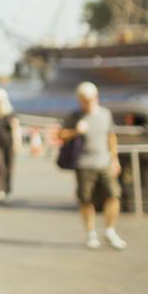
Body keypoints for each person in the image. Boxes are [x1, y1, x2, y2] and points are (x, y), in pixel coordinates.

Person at [59, 82, 127, 250]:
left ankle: (110, 230)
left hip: (104, 163)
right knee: (86, 200)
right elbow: (61, 135)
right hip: (83, 165)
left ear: (96, 98)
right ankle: (90, 233)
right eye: (83, 100)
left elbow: (111, 137)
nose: (87, 103)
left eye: (89, 99)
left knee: (114, 195)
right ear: (79, 100)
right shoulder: (74, 117)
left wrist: (114, 159)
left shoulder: (105, 114)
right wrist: (76, 131)